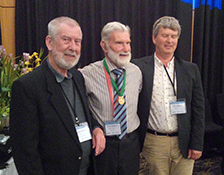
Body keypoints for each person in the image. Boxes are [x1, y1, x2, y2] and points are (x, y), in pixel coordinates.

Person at [10, 16, 105, 175]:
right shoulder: (27, 87)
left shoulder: (77, 77)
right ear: (49, 42)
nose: (73, 47)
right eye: (66, 40)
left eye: (77, 41)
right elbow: (25, 152)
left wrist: (96, 128)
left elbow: (81, 114)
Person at [132, 16, 205, 175]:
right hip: (154, 142)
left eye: (173, 36)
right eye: (165, 35)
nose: (169, 40)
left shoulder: (191, 69)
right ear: (154, 38)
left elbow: (198, 109)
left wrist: (197, 143)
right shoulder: (138, 67)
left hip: (184, 142)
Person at [80, 21, 142, 175]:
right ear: (104, 45)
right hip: (104, 145)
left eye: (128, 43)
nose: (126, 49)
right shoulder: (87, 74)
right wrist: (94, 127)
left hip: (131, 143)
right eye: (119, 43)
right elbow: (80, 108)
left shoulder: (136, 72)